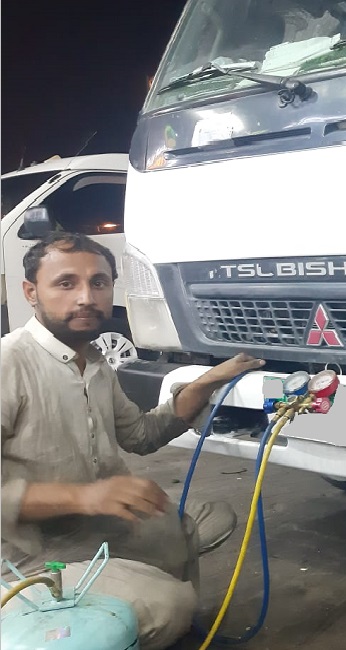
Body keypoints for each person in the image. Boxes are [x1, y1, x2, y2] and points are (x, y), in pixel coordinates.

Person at [1, 232, 265, 649]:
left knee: (200, 521)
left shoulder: (94, 362)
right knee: (171, 603)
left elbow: (142, 435)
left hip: (96, 529)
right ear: (31, 292)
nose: (86, 297)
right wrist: (86, 496)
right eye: (66, 283)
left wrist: (207, 381)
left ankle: (137, 608)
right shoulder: (9, 363)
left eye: (99, 283)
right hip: (30, 558)